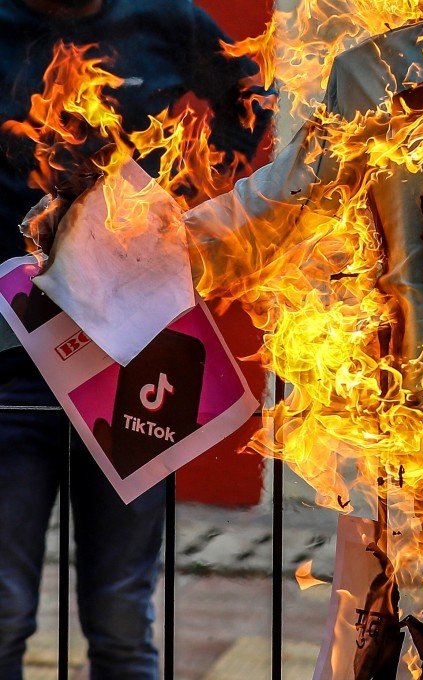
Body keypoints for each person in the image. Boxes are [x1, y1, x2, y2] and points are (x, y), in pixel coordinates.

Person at [0, 1, 272, 678]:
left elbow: (251, 94)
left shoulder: (165, 15)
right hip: (12, 356)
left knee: (123, 619)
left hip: (136, 344)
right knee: (0, 614)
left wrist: (190, 195)